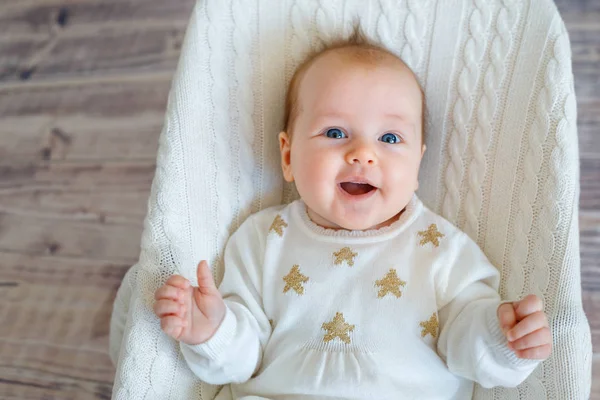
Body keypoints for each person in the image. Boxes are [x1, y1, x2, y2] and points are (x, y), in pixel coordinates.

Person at [152, 26, 552, 399]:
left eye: (390, 138)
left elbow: (467, 340)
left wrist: (504, 338)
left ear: (416, 167)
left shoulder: (440, 247)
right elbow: (244, 358)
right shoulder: (263, 239)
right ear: (288, 155)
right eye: (335, 133)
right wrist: (212, 330)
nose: (362, 152)